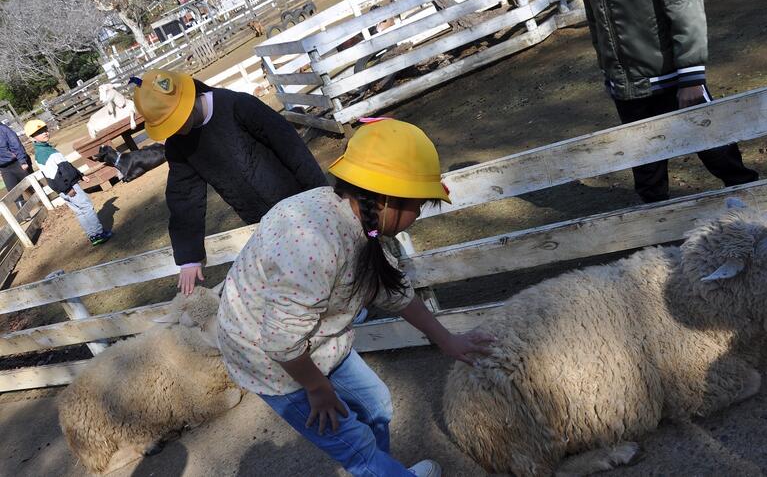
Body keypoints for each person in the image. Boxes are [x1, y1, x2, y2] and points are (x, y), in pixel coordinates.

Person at [217, 118, 495, 477]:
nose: (418, 215)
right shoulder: (314, 243)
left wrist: (446, 339)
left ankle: (383, 470)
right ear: (387, 199)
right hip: (273, 362)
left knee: (377, 405)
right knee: (358, 450)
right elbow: (281, 341)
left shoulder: (364, 225)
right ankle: (377, 469)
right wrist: (317, 387)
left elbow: (391, 291)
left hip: (316, 340)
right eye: (418, 205)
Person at [576, 0, 758, 203]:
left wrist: (691, 77)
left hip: (674, 79)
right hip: (629, 87)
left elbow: (685, 6)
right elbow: (595, 18)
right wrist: (609, 69)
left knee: (718, 151)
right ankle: (659, 223)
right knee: (647, 174)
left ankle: (756, 208)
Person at [131, 69, 328, 295]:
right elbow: (184, 196)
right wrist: (189, 256)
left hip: (300, 202)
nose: (176, 129)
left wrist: (321, 193)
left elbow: (290, 146)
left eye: (176, 120)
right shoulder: (178, 145)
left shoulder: (236, 105)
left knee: (326, 255)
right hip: (259, 220)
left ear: (187, 99)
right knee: (296, 274)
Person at [24, 119, 112, 246]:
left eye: (44, 130)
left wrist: (80, 175)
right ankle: (98, 233)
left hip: (67, 186)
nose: (45, 133)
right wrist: (67, 189)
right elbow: (53, 176)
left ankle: (93, 235)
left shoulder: (47, 149)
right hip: (68, 187)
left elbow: (65, 165)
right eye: (39, 132)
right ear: (32, 138)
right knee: (86, 207)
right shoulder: (43, 153)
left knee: (80, 211)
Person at [0, 122, 33, 211]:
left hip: (16, 162)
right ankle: (24, 213)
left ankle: (46, 200)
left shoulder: (3, 129)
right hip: (4, 168)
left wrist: (22, 161)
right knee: (13, 192)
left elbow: (15, 144)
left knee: (30, 184)